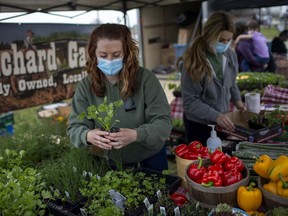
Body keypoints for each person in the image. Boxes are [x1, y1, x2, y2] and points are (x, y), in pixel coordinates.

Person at [67, 23, 172, 172]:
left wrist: (136, 135)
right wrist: (88, 135)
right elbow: (74, 128)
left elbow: (164, 123)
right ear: (93, 53)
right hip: (109, 161)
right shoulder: (86, 86)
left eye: (116, 55)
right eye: (103, 55)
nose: (109, 61)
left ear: (127, 53)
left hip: (149, 157)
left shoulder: (145, 79)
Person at [180, 12, 246, 146]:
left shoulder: (230, 55)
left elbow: (232, 83)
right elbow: (190, 102)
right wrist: (216, 116)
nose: (226, 44)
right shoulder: (193, 61)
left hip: (222, 121)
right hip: (199, 125)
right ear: (209, 35)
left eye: (229, 40)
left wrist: (238, 101)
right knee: (202, 162)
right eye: (221, 40)